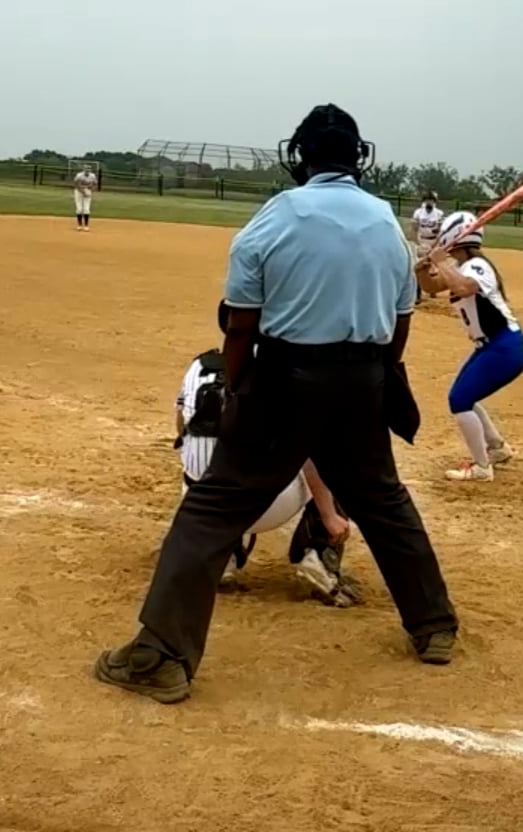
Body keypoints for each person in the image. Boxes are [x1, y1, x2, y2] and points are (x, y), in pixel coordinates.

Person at [93, 104, 458, 705]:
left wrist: (240, 389)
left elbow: (241, 326)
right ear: (358, 157)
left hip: (287, 378)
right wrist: (374, 379)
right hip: (364, 379)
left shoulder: (276, 216)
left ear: (300, 157)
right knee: (383, 501)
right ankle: (434, 625)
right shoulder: (385, 224)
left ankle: (160, 655)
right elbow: (398, 329)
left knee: (212, 509)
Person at [174, 347, 363, 605]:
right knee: (337, 453)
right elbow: (310, 455)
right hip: (266, 505)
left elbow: (181, 426)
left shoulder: (199, 365)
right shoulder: (291, 370)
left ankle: (222, 555)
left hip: (202, 505)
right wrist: (329, 516)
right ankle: (319, 556)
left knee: (204, 461)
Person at [425, 211, 523, 483]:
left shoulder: (477, 266)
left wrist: (440, 261)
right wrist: (424, 268)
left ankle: (482, 467)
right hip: (493, 346)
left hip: (504, 347)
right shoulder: (463, 267)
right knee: (465, 396)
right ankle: (497, 448)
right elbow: (431, 285)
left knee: (459, 400)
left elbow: (465, 288)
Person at [411, 192, 445, 297]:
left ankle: (432, 290)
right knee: (419, 265)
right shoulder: (418, 212)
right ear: (424, 201)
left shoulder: (439, 213)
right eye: (427, 200)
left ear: (434, 202)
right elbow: (414, 228)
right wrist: (417, 242)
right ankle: (418, 293)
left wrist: (436, 244)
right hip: (421, 240)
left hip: (434, 241)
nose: (429, 202)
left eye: (431, 200)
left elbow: (441, 230)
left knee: (433, 265)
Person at [72, 163, 99, 230]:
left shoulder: (92, 176)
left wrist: (91, 191)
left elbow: (95, 184)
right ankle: (79, 225)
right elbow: (76, 184)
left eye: (89, 168)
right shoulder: (79, 175)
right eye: (86, 168)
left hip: (88, 191)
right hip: (78, 192)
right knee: (79, 208)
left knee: (86, 209)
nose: (87, 170)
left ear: (90, 169)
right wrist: (82, 191)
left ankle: (86, 225)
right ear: (83, 169)